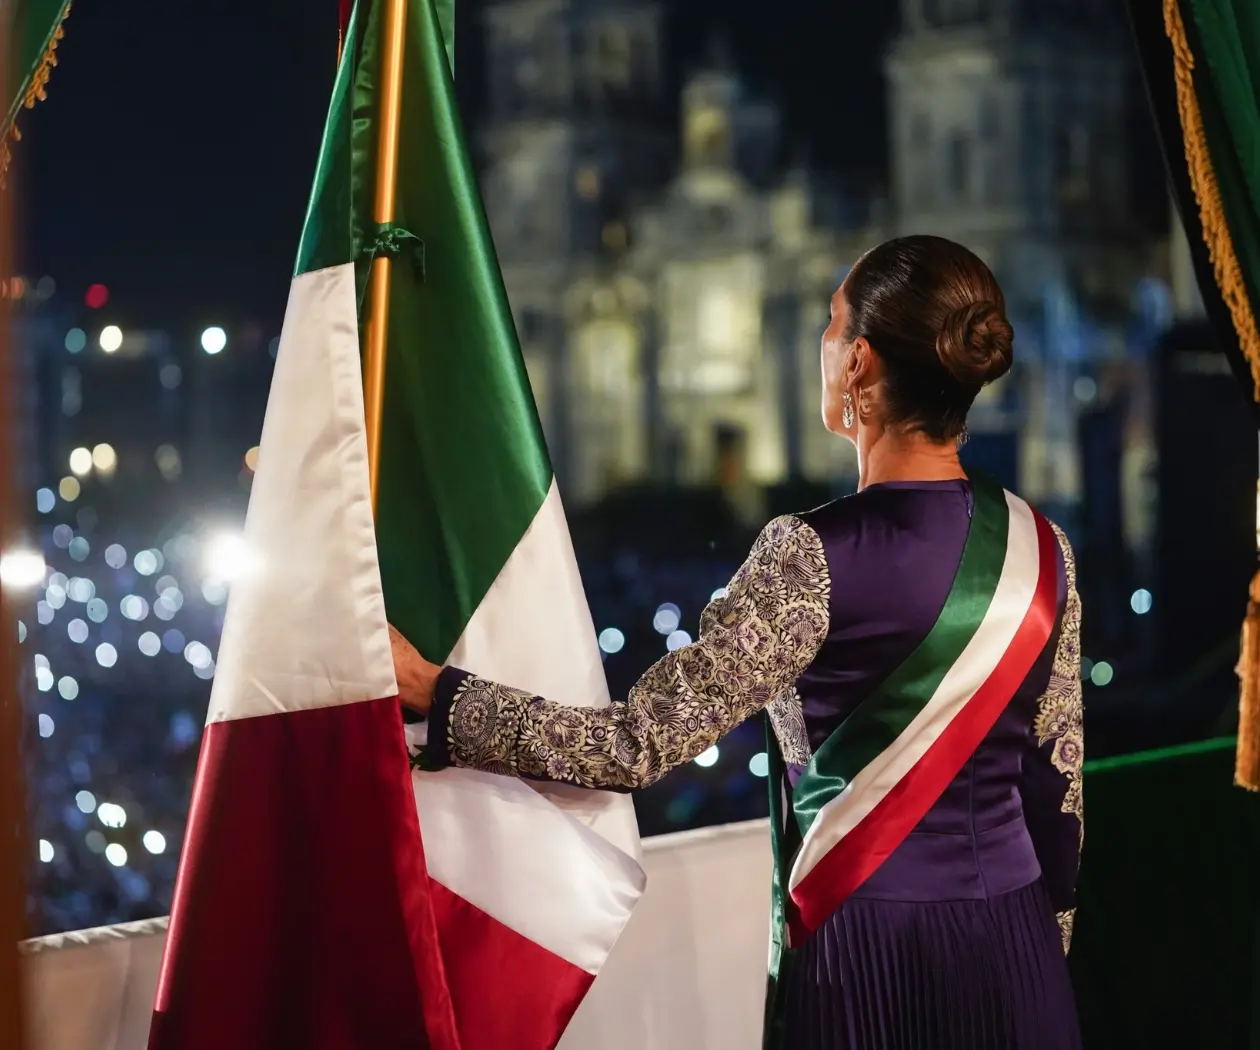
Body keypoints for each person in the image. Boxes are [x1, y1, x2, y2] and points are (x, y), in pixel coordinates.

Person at [390, 235, 1083, 1050]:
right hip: (1017, 945)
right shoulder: (1045, 548)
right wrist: (1038, 947)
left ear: (858, 361)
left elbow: (635, 744)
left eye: (831, 323)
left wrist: (441, 697)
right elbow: (1060, 794)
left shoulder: (807, 553)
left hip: (867, 950)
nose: (821, 344)